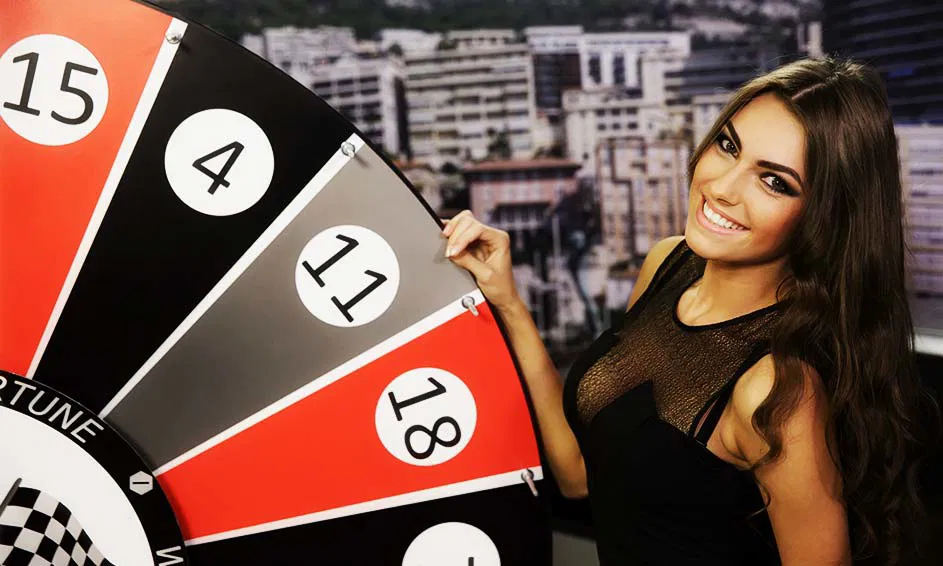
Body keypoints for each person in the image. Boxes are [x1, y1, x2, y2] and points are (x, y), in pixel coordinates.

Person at [441, 56, 937, 565]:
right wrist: (509, 302)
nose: (721, 187)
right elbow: (579, 475)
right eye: (728, 146)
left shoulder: (776, 391)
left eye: (774, 182)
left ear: (825, 215)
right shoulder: (667, 264)